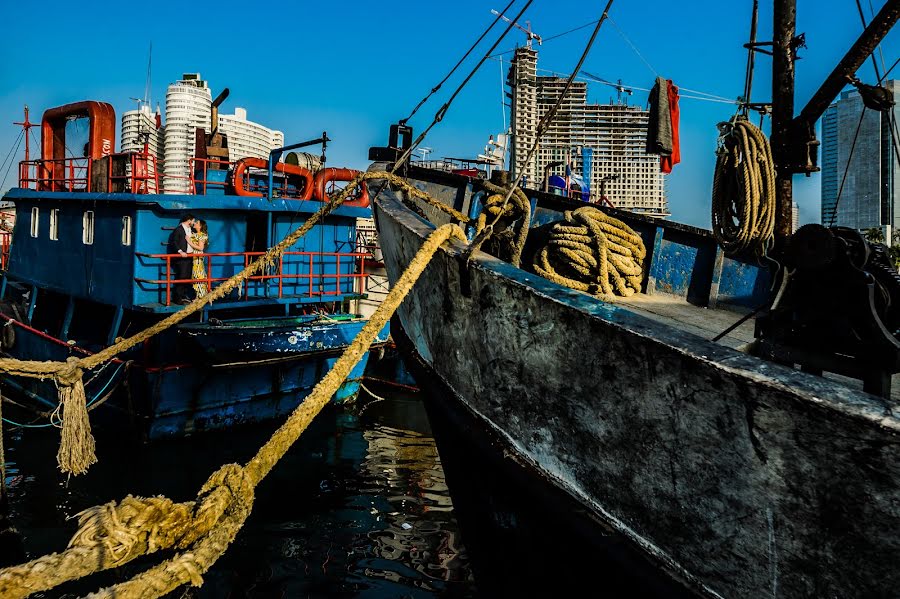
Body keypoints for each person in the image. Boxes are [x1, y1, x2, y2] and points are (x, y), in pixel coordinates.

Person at [166, 214, 195, 304]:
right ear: (189, 220)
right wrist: (180, 252)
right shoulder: (178, 230)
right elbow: (174, 242)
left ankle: (183, 295)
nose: (194, 223)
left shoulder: (191, 230)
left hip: (190, 256)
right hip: (182, 257)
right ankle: (177, 298)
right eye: (193, 221)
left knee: (188, 276)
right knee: (181, 276)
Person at [188, 219, 209, 299]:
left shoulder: (202, 235)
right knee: (195, 275)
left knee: (198, 275)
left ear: (200, 226)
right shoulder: (195, 234)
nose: (195, 223)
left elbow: (200, 248)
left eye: (197, 223)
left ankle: (201, 296)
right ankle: (199, 296)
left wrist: (189, 242)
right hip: (193, 257)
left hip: (197, 257)